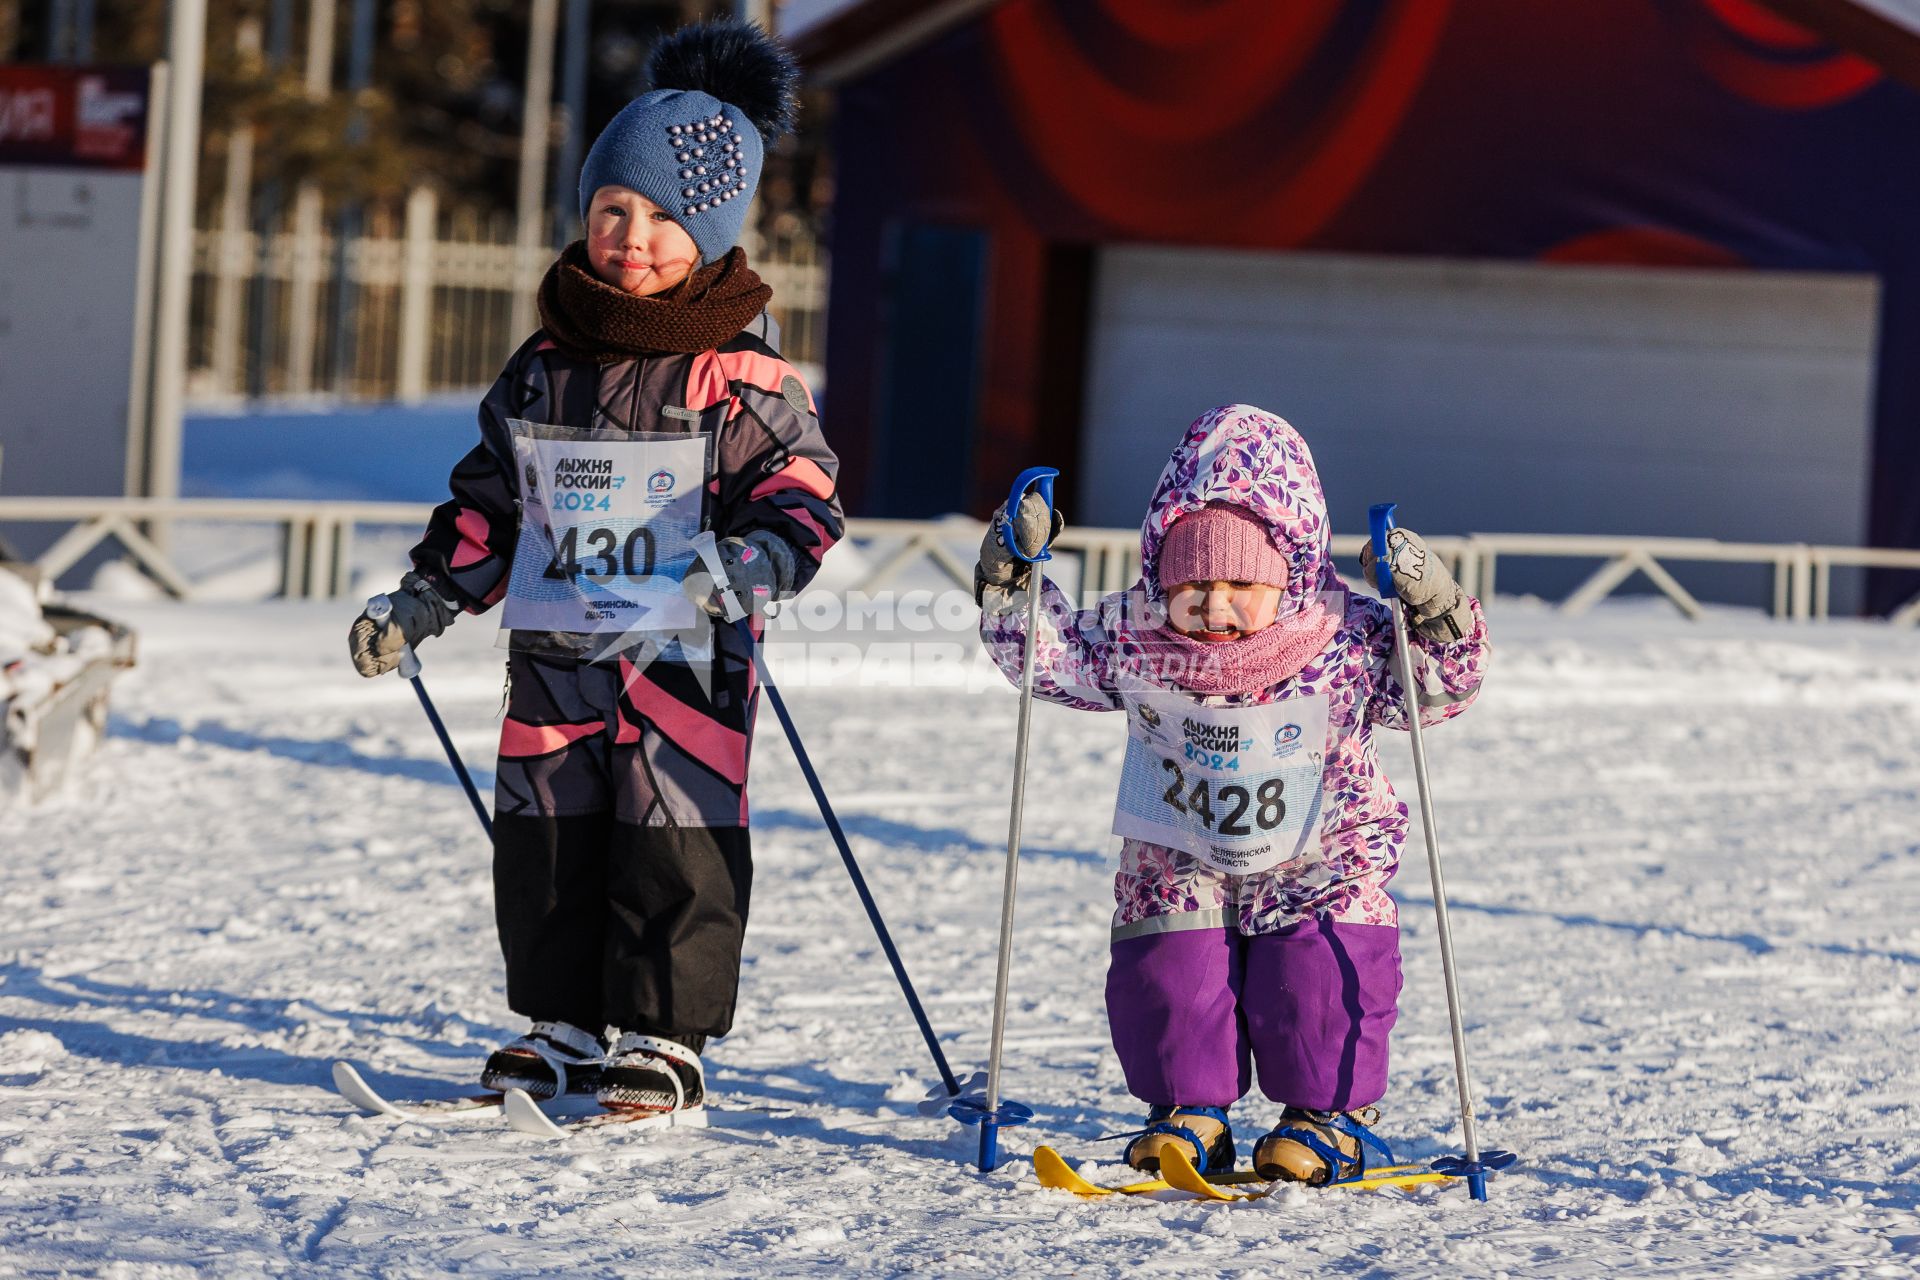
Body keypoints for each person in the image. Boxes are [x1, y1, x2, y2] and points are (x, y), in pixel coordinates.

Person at [346, 21, 841, 1118]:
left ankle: (664, 1031)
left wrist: (748, 558)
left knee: (676, 838)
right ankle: (560, 1019)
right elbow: (491, 499)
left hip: (683, 658)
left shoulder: (740, 372)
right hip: (558, 650)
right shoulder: (545, 367)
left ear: (711, 235)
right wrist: (428, 593)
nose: (634, 236)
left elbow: (803, 497)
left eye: (666, 217)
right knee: (549, 832)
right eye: (615, 207)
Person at [974, 403, 1487, 1184]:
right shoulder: (1138, 630)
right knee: (1171, 981)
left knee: (1318, 986)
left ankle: (1325, 1120)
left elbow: (1436, 691)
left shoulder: (1339, 631)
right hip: (1179, 849)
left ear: (1291, 571)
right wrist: (1011, 577)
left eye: (1242, 584)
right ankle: (1188, 1113)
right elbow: (1048, 658)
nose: (1215, 607)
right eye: (1193, 584)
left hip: (1322, 852)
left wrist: (1434, 612)